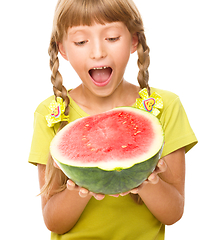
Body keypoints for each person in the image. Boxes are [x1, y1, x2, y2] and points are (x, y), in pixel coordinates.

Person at [28, 0, 198, 239]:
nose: (98, 52)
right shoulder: (51, 113)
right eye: (80, 41)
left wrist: (146, 180)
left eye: (112, 37)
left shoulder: (164, 106)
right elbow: (54, 222)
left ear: (134, 40)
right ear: (63, 50)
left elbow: (173, 213)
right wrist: (79, 186)